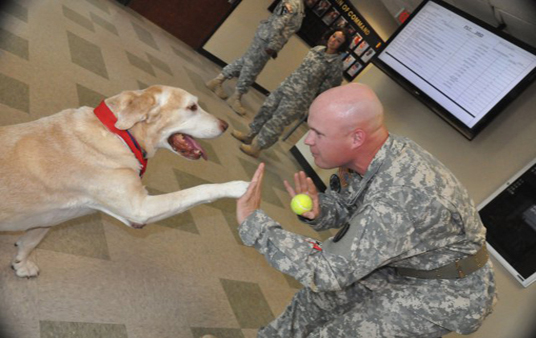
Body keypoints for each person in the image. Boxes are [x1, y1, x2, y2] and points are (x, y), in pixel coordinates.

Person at [233, 83, 497, 337]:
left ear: (356, 137)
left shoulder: (399, 197)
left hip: (444, 289)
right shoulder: (376, 155)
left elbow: (328, 270)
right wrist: (320, 210)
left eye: (318, 133)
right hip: (400, 259)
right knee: (313, 302)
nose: (308, 140)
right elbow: (347, 207)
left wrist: (254, 224)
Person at [231, 28, 350, 158]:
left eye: (338, 41)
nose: (333, 41)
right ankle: (250, 135)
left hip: (299, 99)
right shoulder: (317, 50)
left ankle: (257, 147)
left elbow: (325, 90)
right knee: (266, 110)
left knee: (277, 122)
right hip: (286, 86)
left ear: (342, 46)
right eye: (333, 36)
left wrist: (310, 103)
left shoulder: (335, 66)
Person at [205, 0, 305, 116]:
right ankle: (236, 97)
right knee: (252, 68)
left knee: (245, 61)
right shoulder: (293, 3)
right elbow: (278, 23)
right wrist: (272, 45)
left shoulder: (300, 5)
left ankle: (217, 81)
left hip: (267, 38)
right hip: (267, 40)